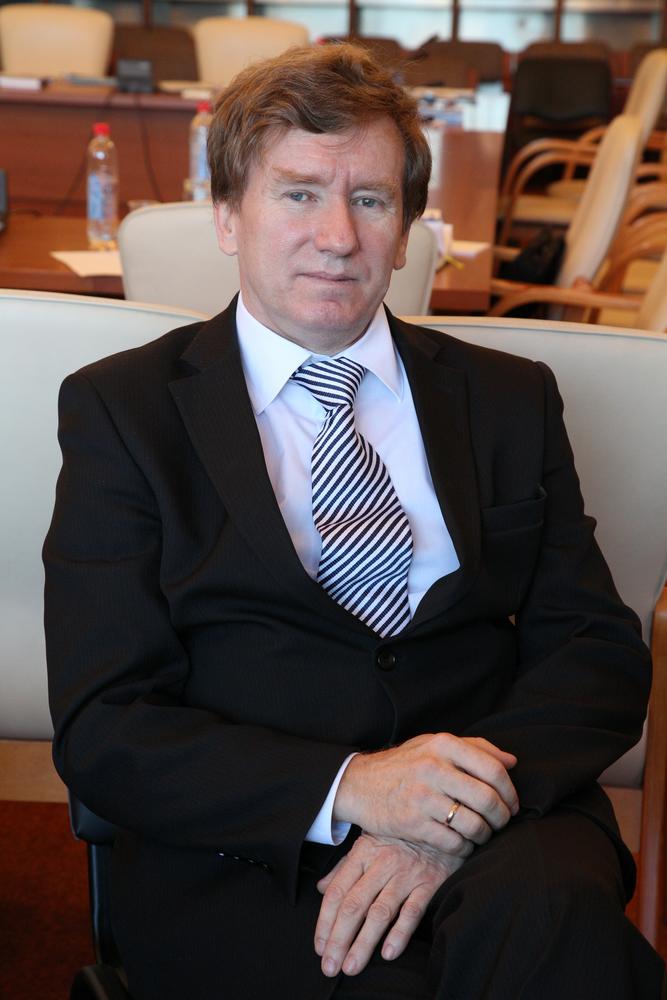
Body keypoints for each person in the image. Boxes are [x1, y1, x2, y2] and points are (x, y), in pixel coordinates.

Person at [44, 43, 664, 1000]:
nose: (336, 236)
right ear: (226, 215)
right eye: (298, 194)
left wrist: (448, 814)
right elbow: (105, 724)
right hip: (253, 848)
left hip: (503, 825)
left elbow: (596, 652)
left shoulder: (508, 399)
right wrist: (351, 789)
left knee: (556, 937)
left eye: (370, 200)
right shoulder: (125, 413)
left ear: (407, 229)